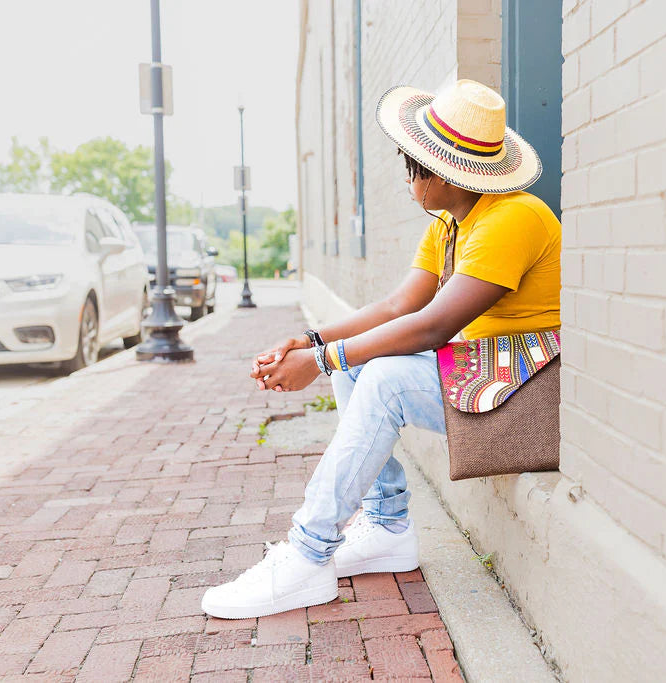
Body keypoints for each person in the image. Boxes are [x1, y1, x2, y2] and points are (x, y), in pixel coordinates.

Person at [201, 79, 561, 619]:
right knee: (360, 369)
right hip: (491, 376)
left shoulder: (513, 217)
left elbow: (433, 326)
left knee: (384, 378)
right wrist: (313, 340)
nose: (404, 169)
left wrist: (320, 363)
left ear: (439, 171)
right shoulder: (450, 223)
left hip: (531, 392)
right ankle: (387, 528)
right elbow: (399, 306)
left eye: (410, 160)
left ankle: (307, 554)